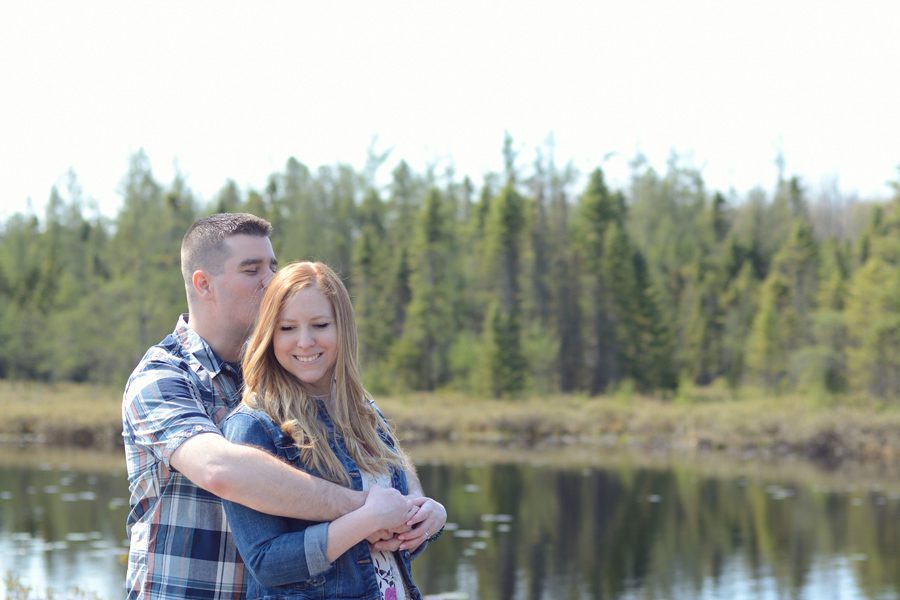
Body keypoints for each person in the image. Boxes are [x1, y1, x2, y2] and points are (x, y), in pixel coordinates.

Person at [122, 214, 417, 599]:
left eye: (273, 266)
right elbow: (219, 469)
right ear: (203, 283)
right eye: (252, 269)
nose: (271, 280)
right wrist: (364, 510)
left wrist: (420, 508)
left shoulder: (289, 365)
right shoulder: (162, 377)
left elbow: (381, 448)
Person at [221, 261, 447, 600]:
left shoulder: (365, 415)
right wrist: (364, 520)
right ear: (269, 335)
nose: (305, 341)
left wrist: (428, 518)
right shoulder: (253, 427)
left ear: (343, 328)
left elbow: (387, 543)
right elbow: (266, 562)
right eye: (287, 328)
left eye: (320, 324)